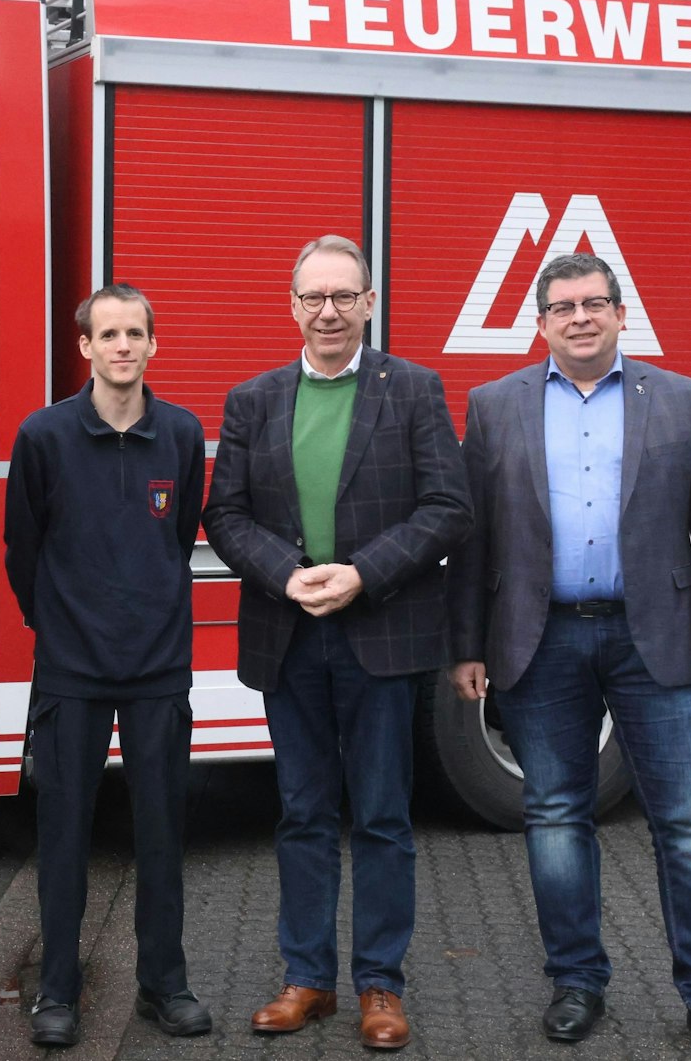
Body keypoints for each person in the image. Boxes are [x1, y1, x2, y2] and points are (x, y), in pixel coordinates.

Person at [448, 253, 691, 1059]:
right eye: (562, 306)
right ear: (540, 322)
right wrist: (466, 646)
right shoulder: (492, 406)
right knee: (554, 817)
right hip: (539, 639)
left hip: (656, 639)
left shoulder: (679, 400)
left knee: (686, 822)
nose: (579, 317)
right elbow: (472, 539)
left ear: (622, 313)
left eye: (594, 303)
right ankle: (577, 980)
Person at [201, 234, 470, 1051]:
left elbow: (446, 506)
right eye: (313, 297)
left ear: (369, 303)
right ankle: (307, 978)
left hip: (380, 630)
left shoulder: (415, 390)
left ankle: (380, 985)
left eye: (343, 296)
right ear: (292, 305)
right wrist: (287, 574)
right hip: (289, 632)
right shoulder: (253, 399)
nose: (328, 310)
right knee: (303, 811)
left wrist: (363, 573)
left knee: (384, 814)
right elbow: (225, 514)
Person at [2, 285, 211, 1048]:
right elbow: (22, 550)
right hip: (71, 672)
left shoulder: (182, 435)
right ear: (83, 347)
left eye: (136, 334)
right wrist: (59, 625)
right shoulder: (44, 436)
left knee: (162, 834)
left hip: (158, 670)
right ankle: (57, 990)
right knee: (63, 836)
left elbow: (178, 534)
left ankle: (166, 984)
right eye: (108, 334)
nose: (123, 346)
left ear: (154, 345)